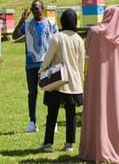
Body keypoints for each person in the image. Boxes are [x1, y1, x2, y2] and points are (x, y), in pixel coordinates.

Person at [79, 6, 119, 163]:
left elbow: (87, 49)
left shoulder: (94, 32)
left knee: (95, 108)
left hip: (95, 77)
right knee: (112, 110)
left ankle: (93, 149)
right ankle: (111, 148)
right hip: (114, 80)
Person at [38, 9, 85, 153]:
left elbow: (48, 58)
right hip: (73, 81)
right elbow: (81, 63)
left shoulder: (57, 37)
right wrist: (80, 80)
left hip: (57, 81)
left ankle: (48, 144)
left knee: (52, 112)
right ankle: (69, 143)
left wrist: (41, 71)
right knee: (70, 114)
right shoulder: (78, 39)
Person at [12, 0, 58, 133]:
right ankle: (32, 121)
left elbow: (57, 42)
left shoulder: (51, 23)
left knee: (51, 92)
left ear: (42, 8)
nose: (34, 11)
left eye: (36, 9)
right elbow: (14, 36)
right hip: (31, 64)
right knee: (32, 93)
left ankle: (52, 121)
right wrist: (21, 20)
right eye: (32, 9)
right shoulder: (27, 24)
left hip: (47, 64)